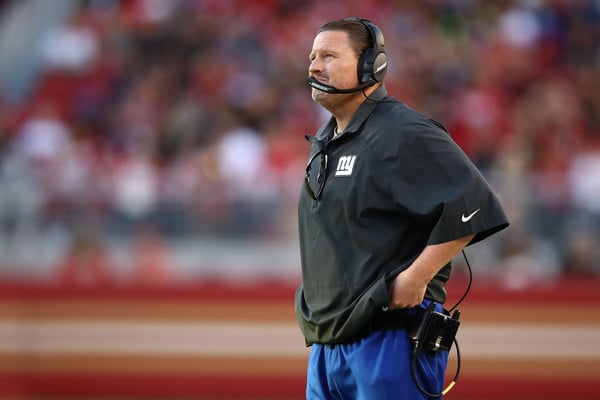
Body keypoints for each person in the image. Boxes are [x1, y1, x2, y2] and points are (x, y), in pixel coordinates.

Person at [295, 17, 509, 400]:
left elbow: (475, 205)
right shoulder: (324, 142)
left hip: (390, 337)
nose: (313, 65)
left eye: (328, 55)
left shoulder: (403, 131)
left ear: (370, 65)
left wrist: (416, 277)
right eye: (312, 56)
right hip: (328, 346)